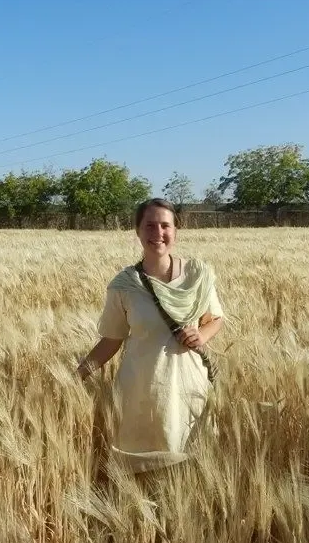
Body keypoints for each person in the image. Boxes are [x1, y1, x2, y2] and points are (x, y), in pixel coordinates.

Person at [77, 198, 225, 474]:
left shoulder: (198, 275)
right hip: (141, 390)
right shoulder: (124, 285)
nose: (158, 233)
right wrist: (76, 376)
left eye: (165, 226)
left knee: (191, 464)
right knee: (141, 470)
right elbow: (111, 340)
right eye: (150, 226)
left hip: (189, 386)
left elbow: (214, 319)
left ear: (176, 230)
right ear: (138, 231)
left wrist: (202, 335)